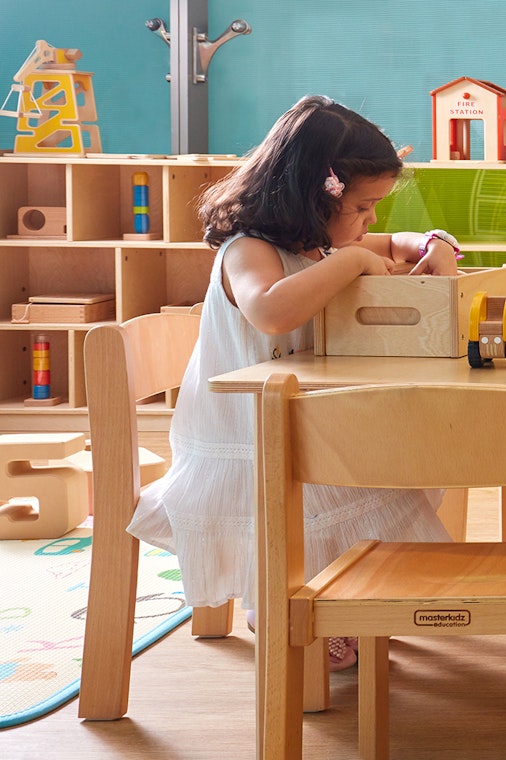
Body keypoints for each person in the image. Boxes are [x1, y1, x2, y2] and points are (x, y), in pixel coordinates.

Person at [127, 95, 461, 670]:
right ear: (314, 194)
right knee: (346, 490)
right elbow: (272, 312)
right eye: (363, 207)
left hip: (313, 424)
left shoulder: (326, 242)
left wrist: (437, 247)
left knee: (402, 467)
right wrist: (352, 262)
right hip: (252, 440)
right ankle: (279, 604)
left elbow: (406, 242)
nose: (372, 222)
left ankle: (341, 598)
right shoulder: (249, 251)